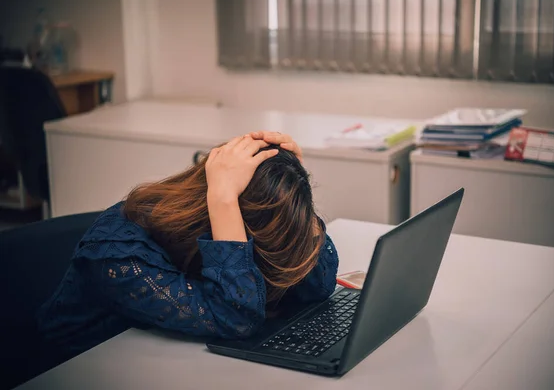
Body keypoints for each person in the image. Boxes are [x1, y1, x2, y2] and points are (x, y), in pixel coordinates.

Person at [37, 131, 339, 365]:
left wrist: (296, 186)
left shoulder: (232, 229)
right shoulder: (119, 254)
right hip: (73, 372)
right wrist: (222, 198)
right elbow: (238, 319)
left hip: (156, 362)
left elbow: (317, 286)